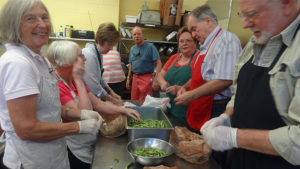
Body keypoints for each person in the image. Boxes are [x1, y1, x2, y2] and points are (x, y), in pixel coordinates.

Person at [0, 1, 102, 169]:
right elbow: (27, 130)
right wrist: (78, 126)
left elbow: (47, 105)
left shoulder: (41, 60)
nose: (42, 24)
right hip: (30, 161)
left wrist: (79, 113)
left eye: (45, 17)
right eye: (30, 19)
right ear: (13, 25)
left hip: (52, 156)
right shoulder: (18, 63)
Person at [201, 0, 300, 168]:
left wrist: (234, 137)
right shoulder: (254, 44)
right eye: (243, 15)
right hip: (242, 159)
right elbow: (239, 93)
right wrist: (227, 116)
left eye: (253, 14)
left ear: (287, 5)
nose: (245, 24)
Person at [46, 40, 141, 169]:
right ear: (68, 61)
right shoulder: (58, 85)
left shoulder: (73, 80)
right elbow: (83, 114)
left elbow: (98, 104)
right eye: (80, 56)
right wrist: (79, 79)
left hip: (88, 144)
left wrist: (123, 110)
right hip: (75, 150)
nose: (84, 59)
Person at [175, 5, 242, 131]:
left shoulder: (227, 41)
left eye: (194, 29)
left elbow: (225, 80)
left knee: (210, 149)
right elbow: (202, 77)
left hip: (215, 109)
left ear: (208, 21)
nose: (193, 35)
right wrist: (184, 87)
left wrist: (192, 95)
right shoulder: (205, 45)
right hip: (200, 106)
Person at [157, 26, 199, 127]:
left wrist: (180, 88)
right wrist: (163, 83)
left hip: (188, 111)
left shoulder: (199, 58)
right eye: (181, 41)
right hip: (170, 107)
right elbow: (160, 74)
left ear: (195, 42)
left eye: (188, 40)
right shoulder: (174, 57)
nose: (184, 44)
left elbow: (199, 80)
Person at [83, 22, 123, 106]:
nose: (111, 48)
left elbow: (100, 79)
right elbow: (94, 86)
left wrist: (112, 93)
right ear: (100, 40)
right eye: (109, 44)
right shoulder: (89, 55)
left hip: (93, 98)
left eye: (112, 45)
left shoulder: (99, 53)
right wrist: (113, 100)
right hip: (86, 99)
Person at [126, 26, 162, 101]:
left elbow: (159, 63)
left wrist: (156, 79)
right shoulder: (132, 49)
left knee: (145, 101)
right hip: (135, 78)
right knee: (134, 100)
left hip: (147, 78)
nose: (136, 36)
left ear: (143, 35)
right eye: (134, 34)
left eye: (138, 34)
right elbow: (131, 64)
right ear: (132, 37)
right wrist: (128, 78)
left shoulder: (150, 47)